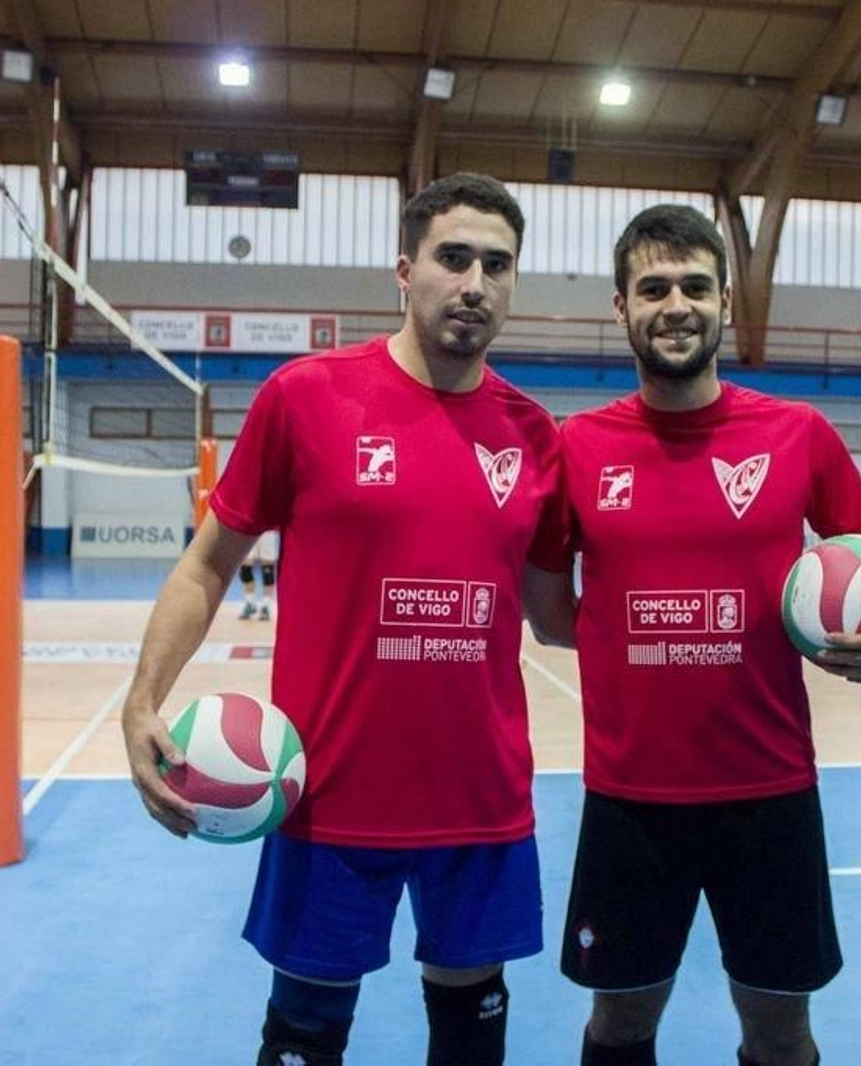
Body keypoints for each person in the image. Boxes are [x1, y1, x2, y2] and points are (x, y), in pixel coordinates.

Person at [119, 173, 570, 1066]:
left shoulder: (533, 435)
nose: (474, 283)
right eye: (453, 258)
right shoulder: (307, 397)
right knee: (305, 1034)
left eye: (497, 265)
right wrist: (141, 702)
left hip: (480, 799)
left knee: (472, 1036)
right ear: (404, 271)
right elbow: (208, 563)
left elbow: (558, 617)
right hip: (326, 796)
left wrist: (721, 627)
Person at [547, 205, 861, 1066]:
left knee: (781, 1032)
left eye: (696, 287)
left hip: (770, 793)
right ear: (621, 307)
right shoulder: (577, 446)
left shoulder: (796, 434)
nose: (677, 305)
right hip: (630, 798)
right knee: (620, 1024)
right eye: (653, 288)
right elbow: (552, 617)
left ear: (725, 303)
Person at [236, 530, 279, 621]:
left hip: (267, 529)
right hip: (249, 528)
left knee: (268, 567)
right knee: (245, 566)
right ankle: (250, 603)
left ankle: (266, 606)